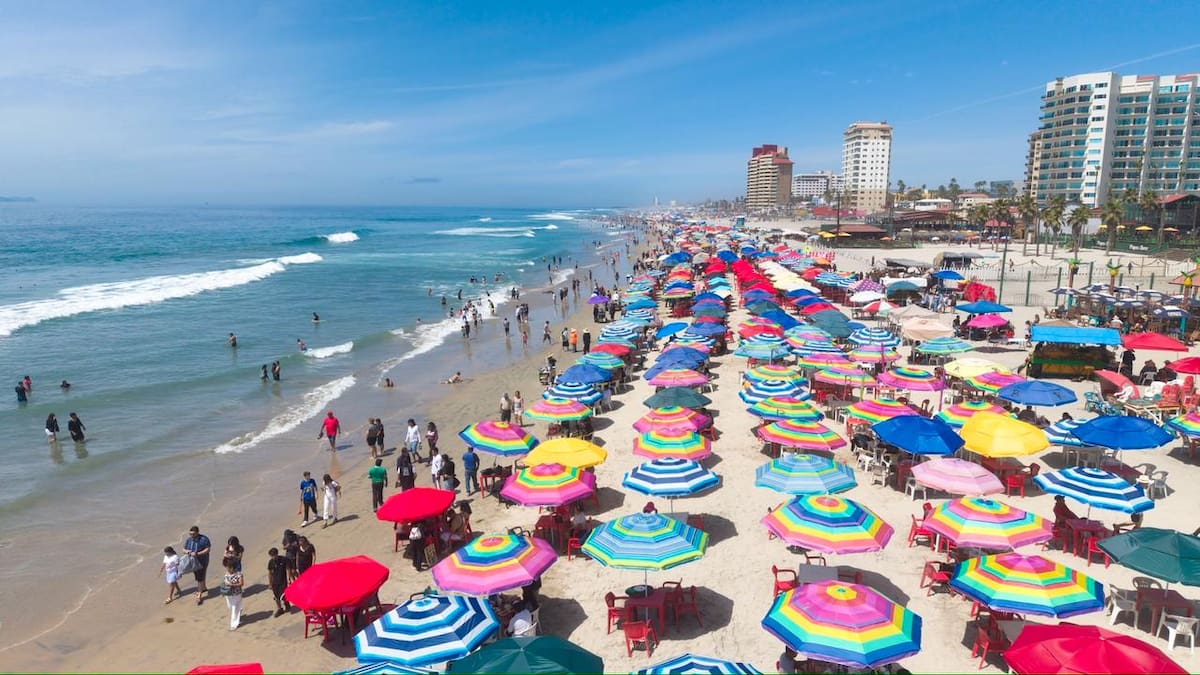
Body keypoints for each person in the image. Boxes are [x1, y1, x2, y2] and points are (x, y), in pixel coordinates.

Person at [184, 526, 212, 605]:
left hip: (202, 561)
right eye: (190, 534)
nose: (191, 536)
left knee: (200, 577)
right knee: (198, 576)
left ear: (197, 532)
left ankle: (199, 595)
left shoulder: (204, 539)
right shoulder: (189, 540)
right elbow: (183, 549)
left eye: (193, 534)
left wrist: (197, 554)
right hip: (193, 562)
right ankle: (203, 588)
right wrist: (187, 552)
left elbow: (208, 549)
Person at [267, 547, 292, 616]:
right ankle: (280, 609)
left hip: (283, 580)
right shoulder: (271, 562)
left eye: (274, 555)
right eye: (271, 556)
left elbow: (288, 569)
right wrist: (270, 583)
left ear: (277, 554)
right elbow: (270, 573)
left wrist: (289, 578)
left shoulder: (284, 559)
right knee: (276, 596)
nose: (273, 557)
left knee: (283, 595)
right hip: (275, 581)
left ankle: (287, 604)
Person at [220, 558, 244, 631]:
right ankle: (239, 609)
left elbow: (241, 583)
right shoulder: (226, 574)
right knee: (230, 607)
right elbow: (224, 583)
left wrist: (232, 584)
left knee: (234, 609)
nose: (227, 568)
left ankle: (234, 624)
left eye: (228, 567)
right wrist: (223, 592)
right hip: (228, 594)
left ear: (232, 567)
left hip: (236, 594)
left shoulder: (239, 574)